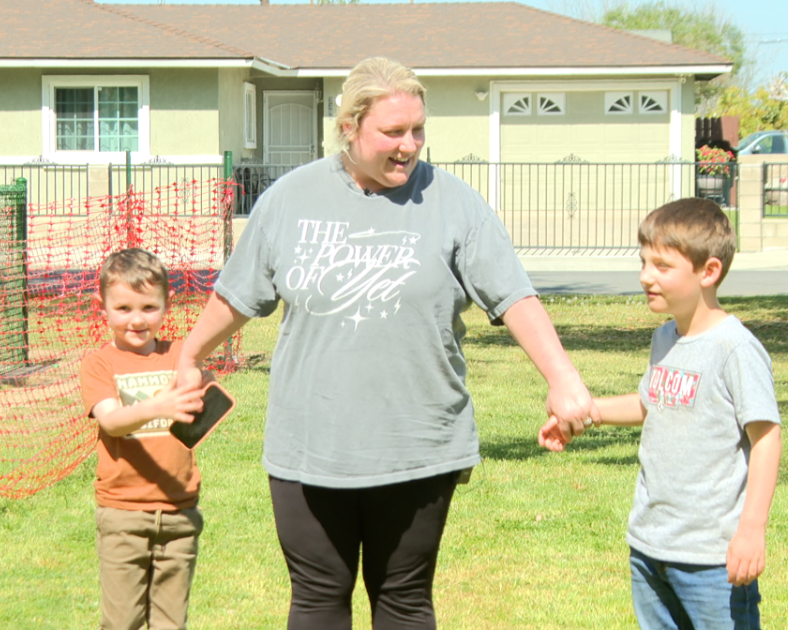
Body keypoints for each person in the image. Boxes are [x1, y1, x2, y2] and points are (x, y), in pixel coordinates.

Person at [176, 57, 598, 629]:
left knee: (403, 598)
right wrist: (189, 354)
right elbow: (238, 295)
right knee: (318, 596)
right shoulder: (291, 199)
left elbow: (514, 296)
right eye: (392, 132)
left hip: (417, 444)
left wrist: (563, 378)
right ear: (349, 127)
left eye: (417, 130)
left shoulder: (453, 203)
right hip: (311, 446)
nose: (410, 146)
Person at [540, 198, 783, 630]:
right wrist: (584, 414)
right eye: (643, 262)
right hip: (651, 546)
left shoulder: (735, 349)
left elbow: (766, 439)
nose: (645, 277)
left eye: (661, 266)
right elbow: (650, 402)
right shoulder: (666, 338)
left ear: (708, 272)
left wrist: (752, 529)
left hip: (712, 557)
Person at [80, 247, 208, 630]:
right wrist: (159, 406)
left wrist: (201, 390)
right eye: (123, 309)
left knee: (172, 624)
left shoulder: (181, 355)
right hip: (123, 514)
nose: (137, 320)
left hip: (179, 513)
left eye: (149, 308)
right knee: (123, 623)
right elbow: (113, 421)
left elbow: (203, 404)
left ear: (167, 305)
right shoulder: (99, 363)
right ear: (101, 306)